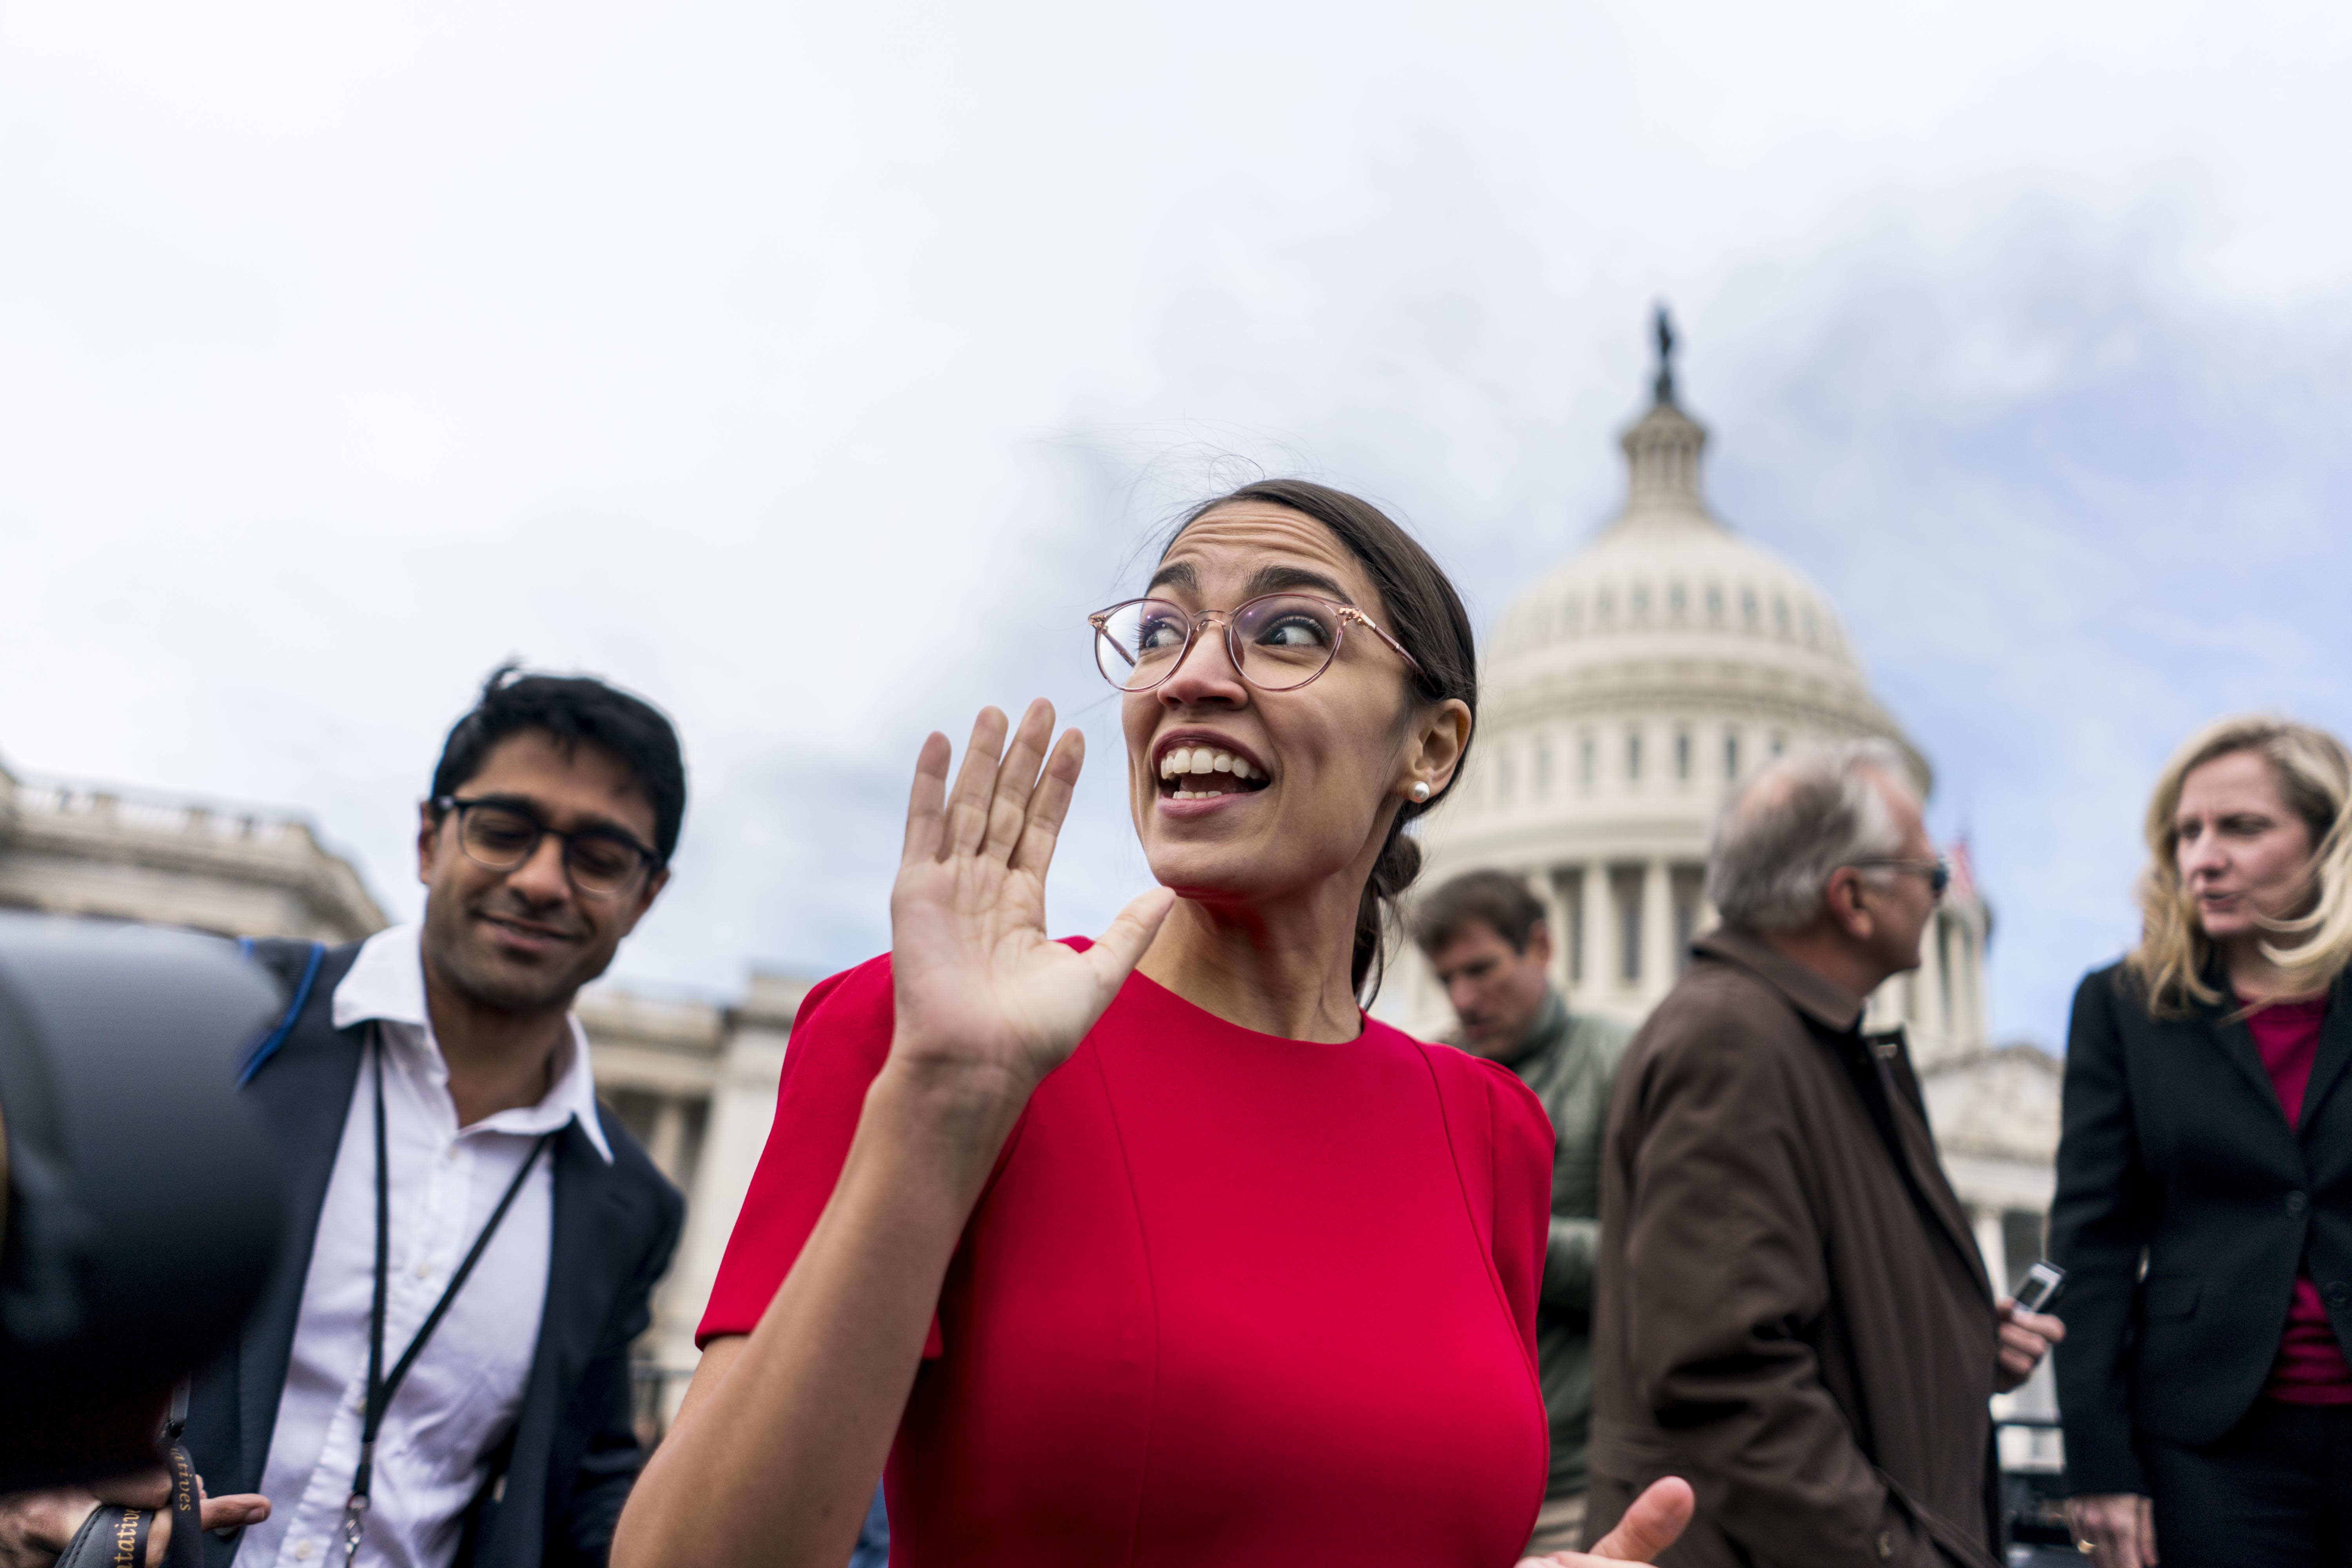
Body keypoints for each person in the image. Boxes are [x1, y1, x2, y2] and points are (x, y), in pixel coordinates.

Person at [613, 479, 1693, 1568]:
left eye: (1290, 632)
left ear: (1431, 748)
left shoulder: (1490, 1129)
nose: (1191, 676)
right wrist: (944, 1102)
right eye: (1163, 631)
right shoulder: (924, 1035)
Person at [0, 668, 688, 1568]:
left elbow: (585, 1490)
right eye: (504, 830)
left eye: (599, 856)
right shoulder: (208, 1023)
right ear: (430, 838)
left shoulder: (627, 1204)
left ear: (647, 895)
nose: (543, 880)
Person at [1583, 740, 2062, 1568]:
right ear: (1852, 897)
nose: (1940, 893)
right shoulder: (1734, 1044)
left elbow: (1799, 1311)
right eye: (1930, 875)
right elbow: (1725, 1373)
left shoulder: (1814, 1049)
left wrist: (1953, 1342)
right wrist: (1901, 1553)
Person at [2051, 716, 2352, 1568]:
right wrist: (2098, 1463)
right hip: (2210, 1449)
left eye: (2242, 827)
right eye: (2187, 832)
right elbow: (2093, 1245)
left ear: (2328, 841)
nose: (2203, 857)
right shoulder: (2121, 1005)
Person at [1415, 870, 1635, 1557]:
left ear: (1541, 946)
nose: (1464, 998)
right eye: (1447, 978)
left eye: (1481, 969)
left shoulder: (1616, 1063)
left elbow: (1658, 1266)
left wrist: (1479, 1236)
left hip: (1579, 1477)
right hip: (1453, 1478)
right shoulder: (1431, 1073)